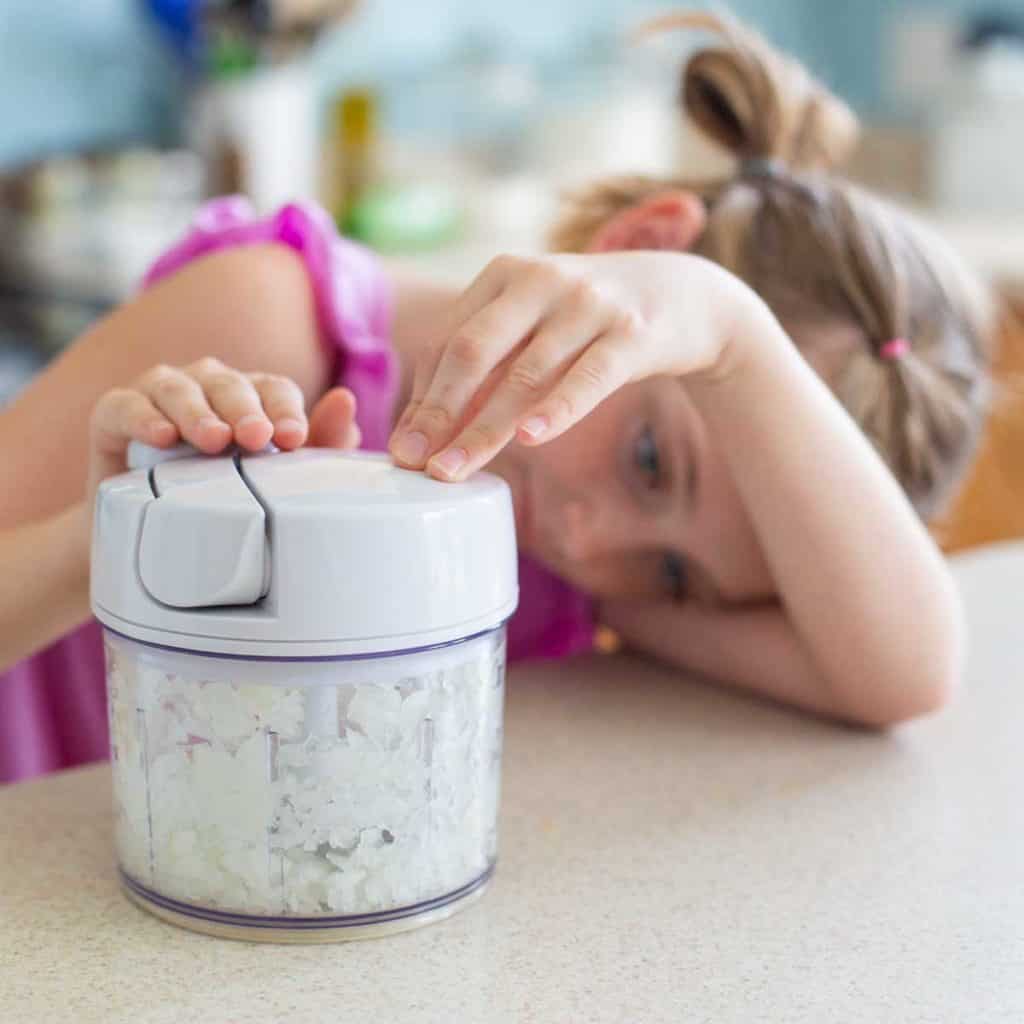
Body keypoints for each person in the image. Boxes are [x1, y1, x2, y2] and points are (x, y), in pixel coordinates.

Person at [0, 11, 994, 782]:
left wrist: (738, 345)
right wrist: (123, 533)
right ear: (639, 255)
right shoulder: (277, 325)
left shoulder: (568, 558)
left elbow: (899, 678)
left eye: (674, 576)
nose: (598, 542)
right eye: (651, 461)